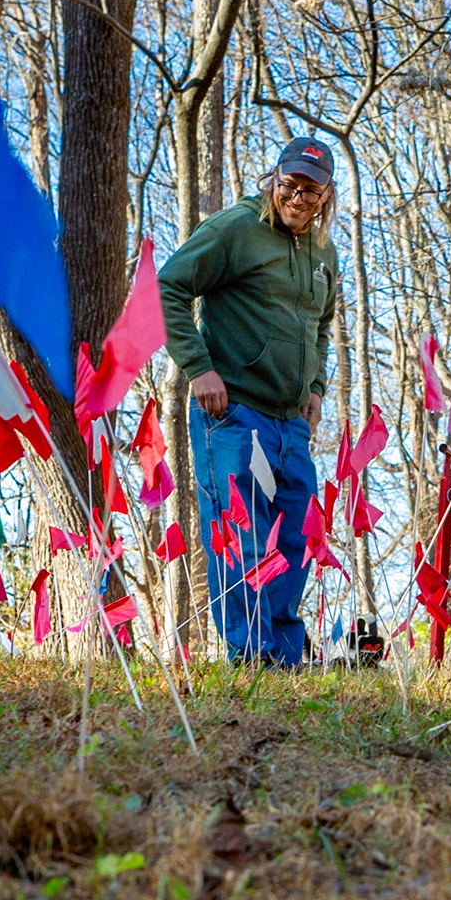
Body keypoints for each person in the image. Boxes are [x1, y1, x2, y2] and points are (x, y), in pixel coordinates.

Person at [159, 137, 340, 667]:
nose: (298, 197)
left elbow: (322, 324)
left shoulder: (324, 253)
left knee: (296, 534)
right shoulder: (236, 229)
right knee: (242, 535)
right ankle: (249, 655)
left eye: (311, 190)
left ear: (326, 196)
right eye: (290, 184)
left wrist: (316, 389)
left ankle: (284, 659)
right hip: (233, 412)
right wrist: (199, 368)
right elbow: (167, 286)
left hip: (291, 425)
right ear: (274, 179)